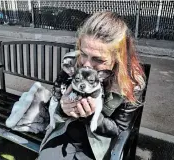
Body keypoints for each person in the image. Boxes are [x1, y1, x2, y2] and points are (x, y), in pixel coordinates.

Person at [38, 11, 146, 160]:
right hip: (64, 133)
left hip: (97, 144)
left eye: (98, 60)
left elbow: (119, 129)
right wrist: (62, 109)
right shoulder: (71, 64)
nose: (87, 65)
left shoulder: (132, 83)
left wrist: (93, 116)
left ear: (118, 58)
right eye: (83, 54)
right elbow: (55, 97)